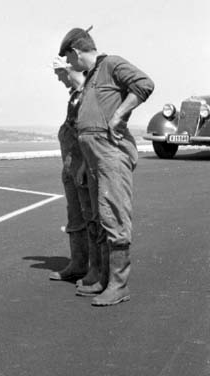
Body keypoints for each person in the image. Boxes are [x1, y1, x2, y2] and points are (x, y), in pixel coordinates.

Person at [58, 27, 154, 306]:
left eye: (68, 58)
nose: (69, 64)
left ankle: (118, 285)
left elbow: (144, 84)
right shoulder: (91, 77)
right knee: (99, 216)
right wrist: (84, 163)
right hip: (94, 158)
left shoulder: (111, 64)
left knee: (114, 216)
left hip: (111, 153)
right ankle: (103, 277)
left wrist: (119, 115)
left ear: (76, 51)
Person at [49, 56, 98, 284]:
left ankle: (95, 271)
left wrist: (86, 165)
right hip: (70, 165)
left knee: (91, 217)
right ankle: (78, 264)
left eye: (59, 73)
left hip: (83, 166)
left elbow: (91, 134)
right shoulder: (75, 96)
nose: (59, 79)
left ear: (68, 69)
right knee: (75, 216)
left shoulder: (89, 94)